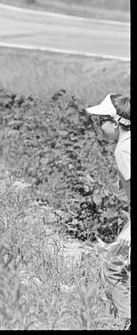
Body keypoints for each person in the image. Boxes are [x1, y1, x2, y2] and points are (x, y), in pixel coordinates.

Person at [86, 93, 130, 320]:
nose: (98, 125)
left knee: (113, 267)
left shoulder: (123, 150)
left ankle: (125, 321)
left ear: (115, 122)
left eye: (101, 120)